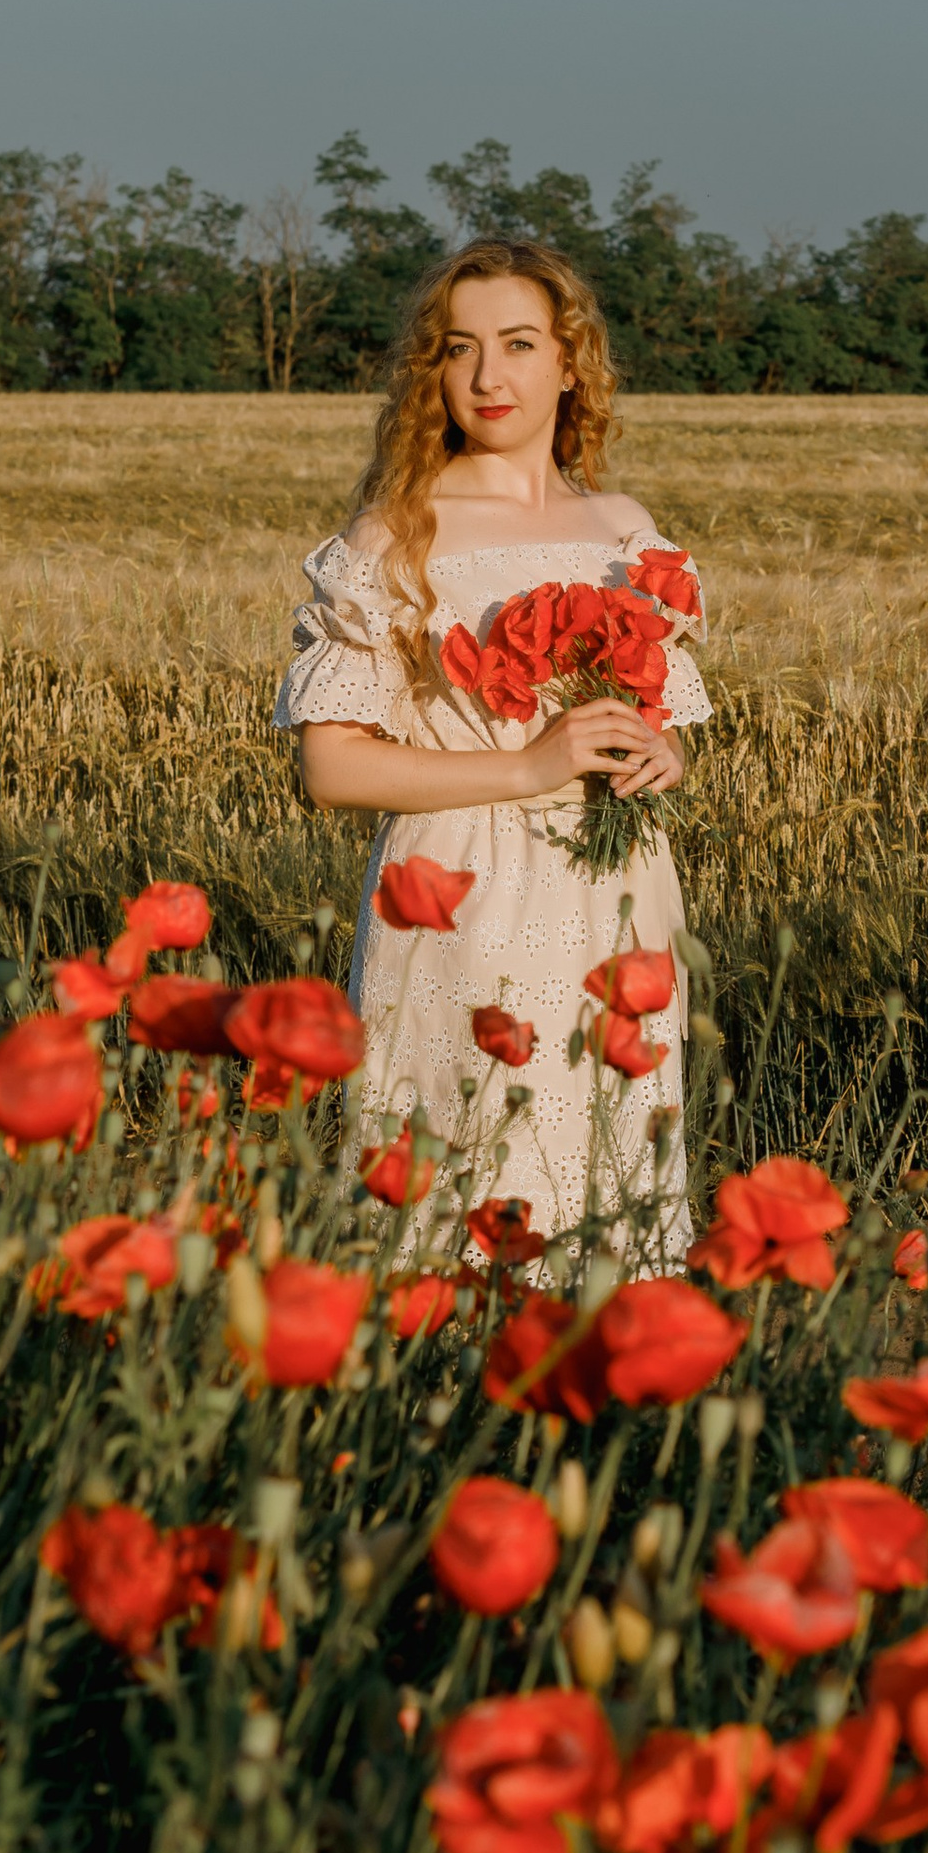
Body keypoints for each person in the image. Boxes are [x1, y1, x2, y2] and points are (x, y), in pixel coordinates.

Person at [278, 235, 709, 1256]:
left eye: (518, 343)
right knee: (464, 1181)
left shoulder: (624, 529)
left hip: (617, 894)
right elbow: (330, 767)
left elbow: (661, 721)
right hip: (463, 890)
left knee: (607, 1175)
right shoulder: (396, 535)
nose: (487, 377)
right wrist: (527, 766)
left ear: (570, 361)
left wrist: (661, 756)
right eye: (458, 348)